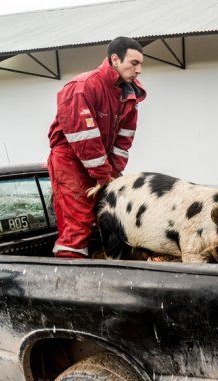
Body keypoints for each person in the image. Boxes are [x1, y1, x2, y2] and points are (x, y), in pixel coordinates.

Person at [47, 37, 146, 258]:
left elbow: (123, 141)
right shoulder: (82, 88)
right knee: (78, 224)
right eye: (134, 63)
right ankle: (68, 280)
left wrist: (113, 174)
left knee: (105, 219)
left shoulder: (129, 95)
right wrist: (104, 176)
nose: (139, 70)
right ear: (115, 59)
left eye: (141, 64)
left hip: (99, 166)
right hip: (70, 161)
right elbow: (84, 138)